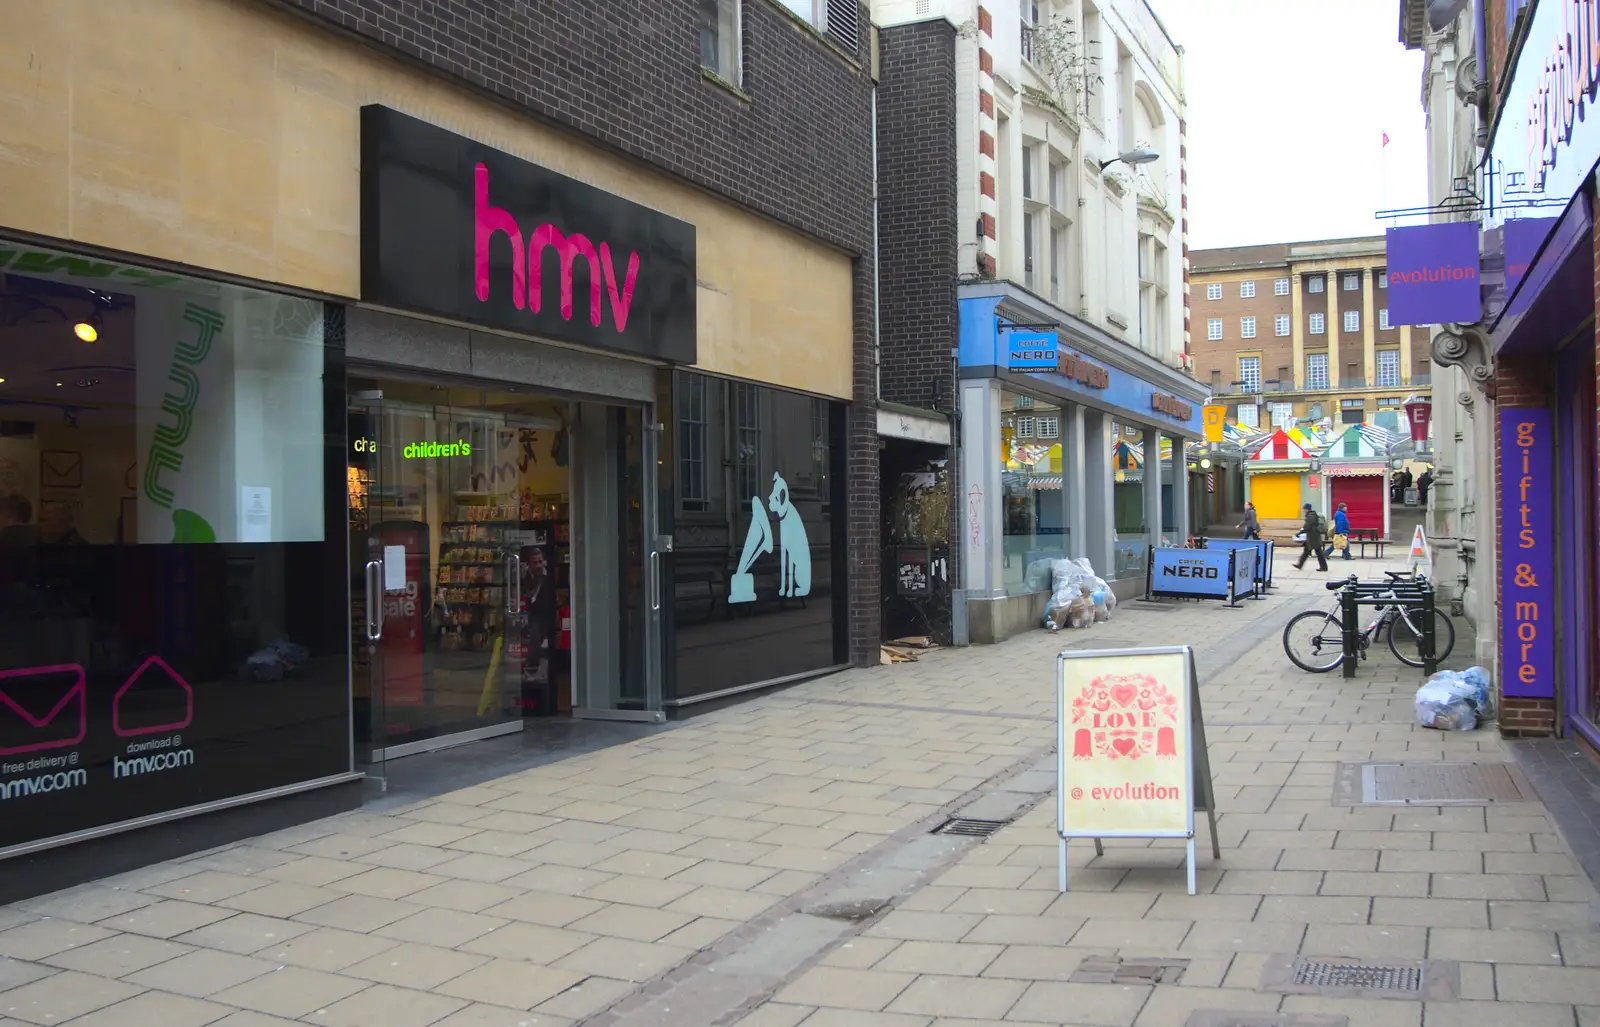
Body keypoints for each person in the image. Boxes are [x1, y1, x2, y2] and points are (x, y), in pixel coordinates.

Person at [1292, 503, 1327, 571]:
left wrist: (1300, 533)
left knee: (1318, 552)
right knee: (1307, 551)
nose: (1303, 510)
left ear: (1307, 509)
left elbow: (1307, 526)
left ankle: (1324, 567)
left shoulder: (1311, 516)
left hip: (1313, 537)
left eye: (1304, 509)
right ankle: (1300, 565)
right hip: (1312, 537)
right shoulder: (1311, 515)